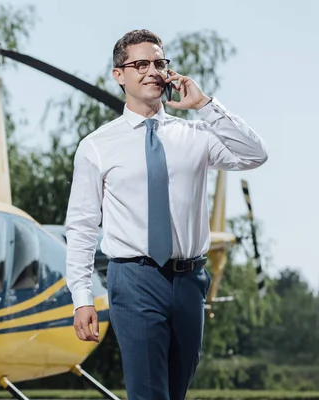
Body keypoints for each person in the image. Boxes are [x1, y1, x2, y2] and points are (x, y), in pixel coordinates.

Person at [64, 29, 268, 400]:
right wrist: (81, 297)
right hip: (134, 279)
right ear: (119, 74)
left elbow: (255, 154)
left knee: (175, 393)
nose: (152, 71)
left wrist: (205, 104)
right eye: (140, 63)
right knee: (148, 394)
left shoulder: (197, 135)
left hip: (190, 282)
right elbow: (80, 227)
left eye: (159, 63)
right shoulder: (96, 147)